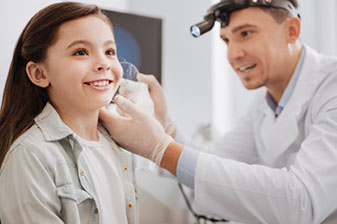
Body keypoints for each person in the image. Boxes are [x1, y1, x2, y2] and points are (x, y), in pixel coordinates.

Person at [99, 0, 337, 223]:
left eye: (246, 33)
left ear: (292, 30)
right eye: (226, 41)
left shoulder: (331, 86)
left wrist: (160, 149)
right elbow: (214, 160)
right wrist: (165, 127)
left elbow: (302, 203)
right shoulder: (265, 105)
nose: (233, 55)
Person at [0, 2, 139, 223]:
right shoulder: (31, 156)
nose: (103, 63)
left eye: (110, 51)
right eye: (81, 52)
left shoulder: (119, 148)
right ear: (38, 73)